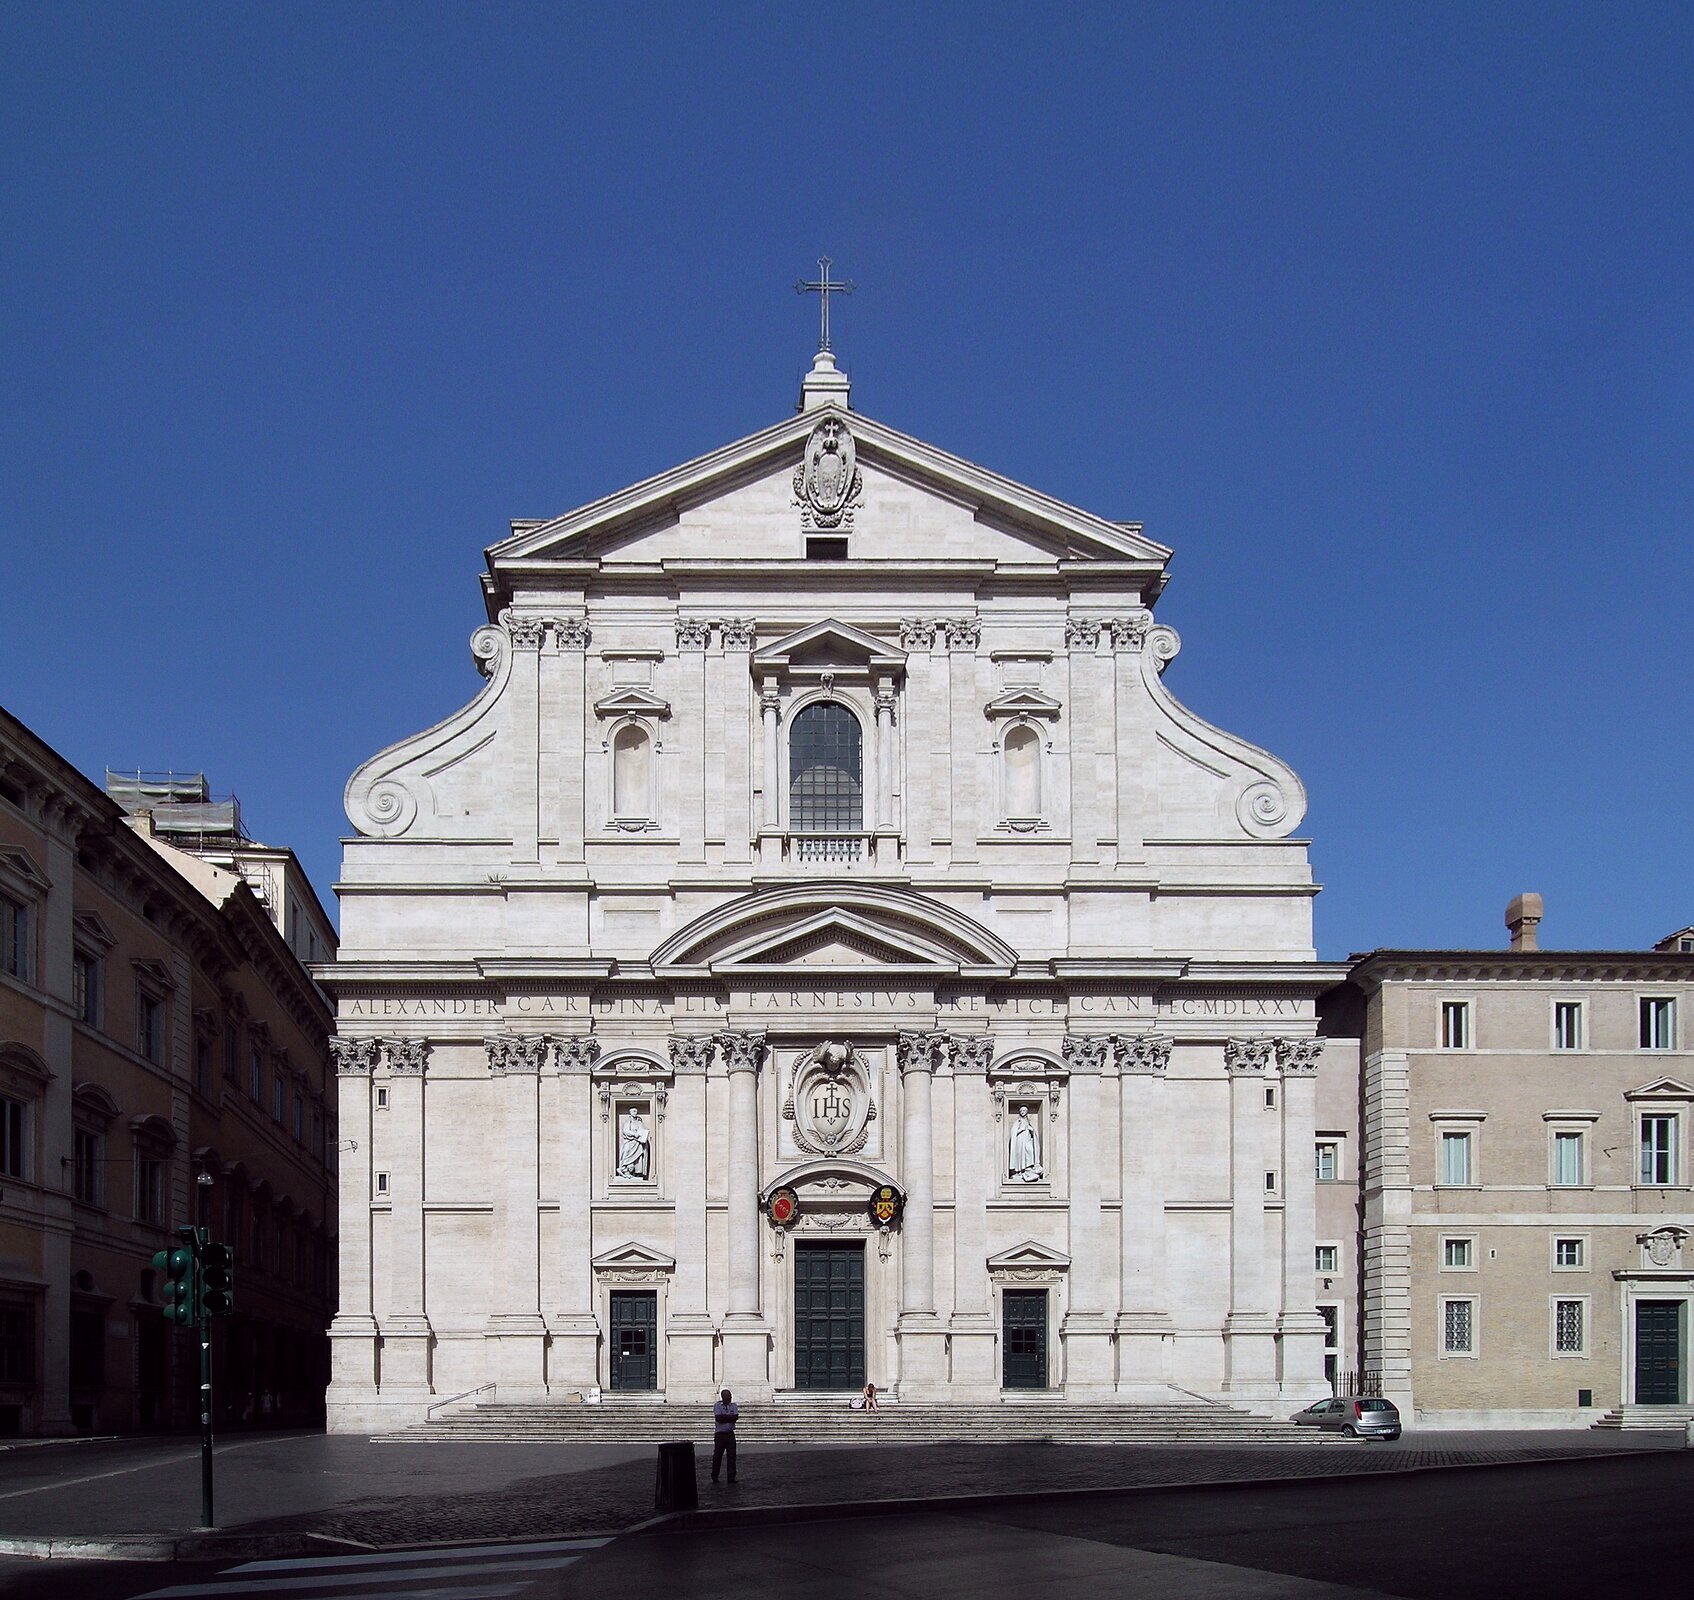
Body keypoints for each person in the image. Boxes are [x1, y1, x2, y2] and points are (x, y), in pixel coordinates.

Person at [712, 1387, 738, 1483]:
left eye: (730, 1396)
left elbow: (735, 1417)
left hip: (730, 1434)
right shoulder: (717, 1406)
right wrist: (730, 1418)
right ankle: (715, 1476)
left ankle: (731, 1477)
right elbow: (719, 1418)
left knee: (732, 1456)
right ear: (723, 1397)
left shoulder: (733, 1405)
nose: (730, 1398)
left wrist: (725, 1417)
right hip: (720, 1434)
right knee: (717, 1456)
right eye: (727, 1396)